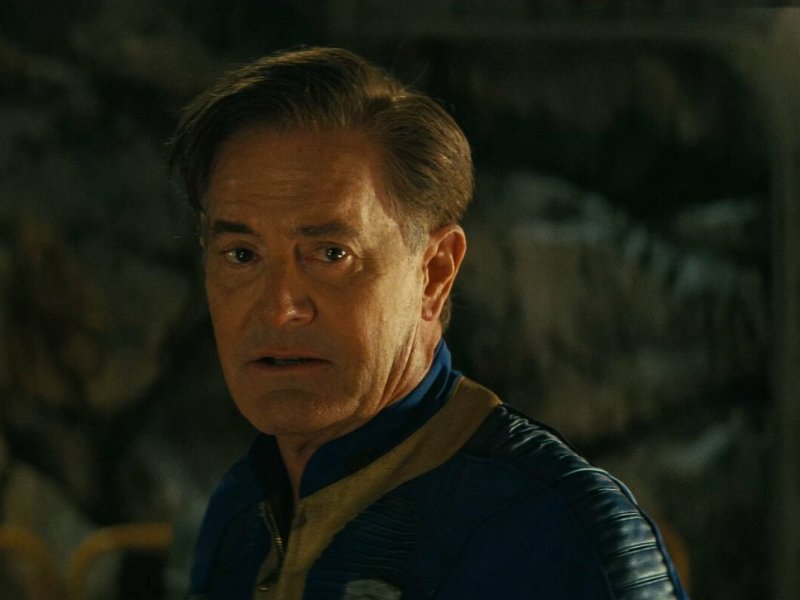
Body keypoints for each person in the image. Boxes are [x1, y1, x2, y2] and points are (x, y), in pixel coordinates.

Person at [169, 47, 689, 600]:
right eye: (242, 255)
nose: (279, 308)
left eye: (331, 254)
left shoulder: (557, 534)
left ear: (434, 272)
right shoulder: (239, 514)